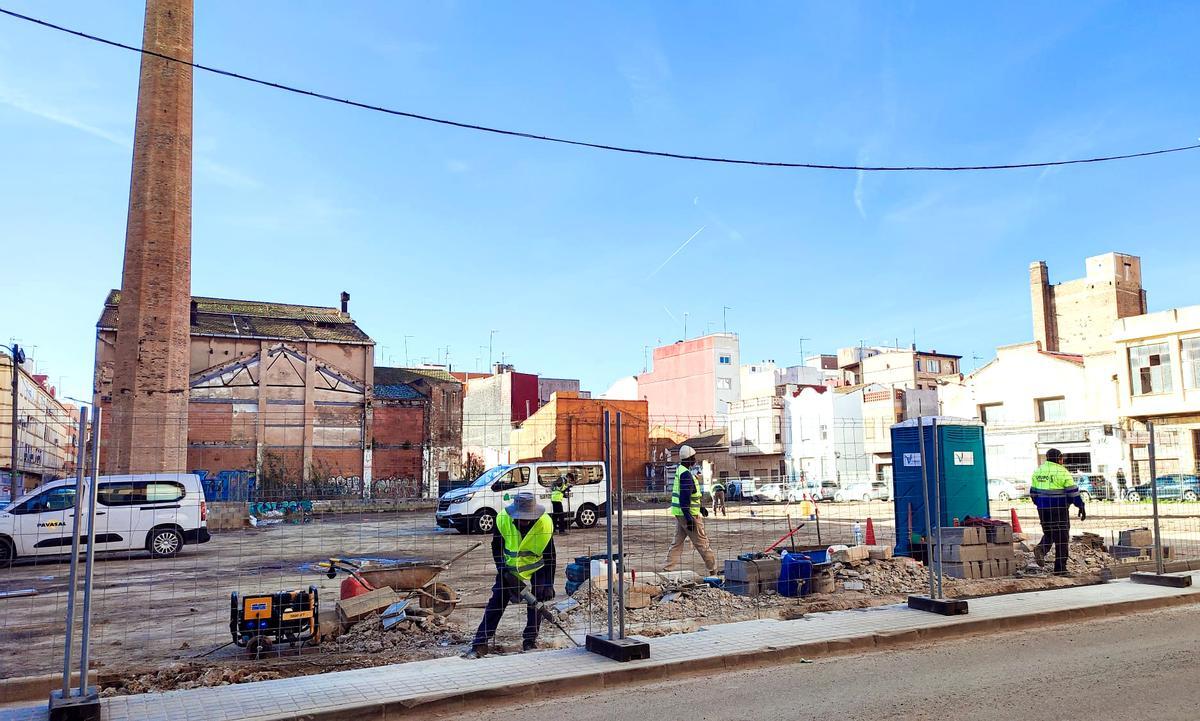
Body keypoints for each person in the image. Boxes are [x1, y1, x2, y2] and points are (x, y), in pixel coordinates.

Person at [465, 491, 556, 657]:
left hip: (537, 568)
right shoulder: (503, 520)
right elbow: (497, 548)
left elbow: (550, 555)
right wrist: (504, 571)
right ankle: (480, 643)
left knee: (536, 602)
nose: (524, 520)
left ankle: (530, 642)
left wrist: (548, 583)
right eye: (521, 517)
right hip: (509, 569)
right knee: (496, 602)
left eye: (528, 517)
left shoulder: (545, 523)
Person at [663, 445, 719, 575]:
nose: (695, 460)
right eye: (693, 458)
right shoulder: (686, 475)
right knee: (702, 543)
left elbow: (689, 495)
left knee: (677, 543)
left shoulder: (681, 470)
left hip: (680, 513)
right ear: (688, 459)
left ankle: (667, 570)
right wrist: (689, 519)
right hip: (688, 515)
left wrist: (700, 507)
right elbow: (684, 498)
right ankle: (713, 570)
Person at [1030, 448, 1086, 575]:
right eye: (1062, 458)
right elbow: (1073, 493)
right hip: (1059, 509)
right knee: (1062, 538)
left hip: (1043, 509)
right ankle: (1060, 569)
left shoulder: (1038, 471)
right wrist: (1080, 506)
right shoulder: (1062, 472)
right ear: (1059, 458)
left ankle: (1041, 549)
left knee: (1049, 532)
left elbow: (1033, 493)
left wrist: (1040, 504)